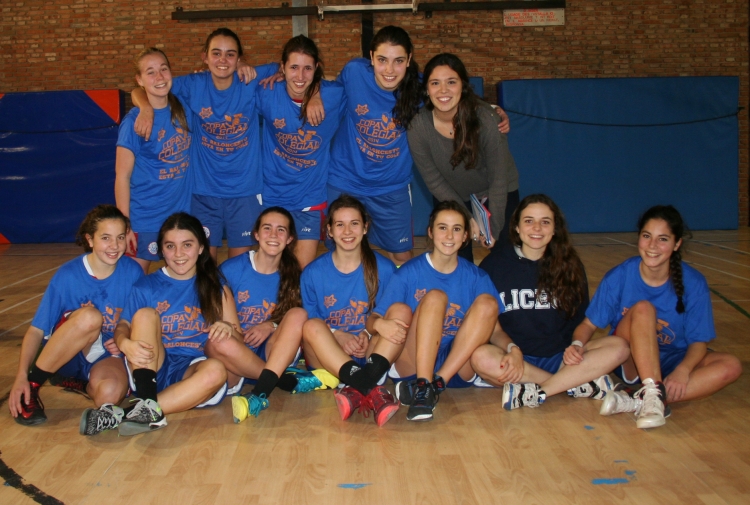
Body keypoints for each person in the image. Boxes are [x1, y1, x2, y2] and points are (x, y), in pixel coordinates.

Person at [131, 28, 292, 262]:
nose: (223, 60)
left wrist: (243, 66)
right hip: (204, 192)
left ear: (239, 57)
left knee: (240, 266)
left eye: (230, 54)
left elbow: (288, 68)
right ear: (204, 57)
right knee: (204, 266)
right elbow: (143, 87)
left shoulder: (250, 79)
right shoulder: (193, 84)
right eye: (216, 53)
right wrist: (145, 108)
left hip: (244, 192)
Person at [576, 205, 742, 429]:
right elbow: (588, 324)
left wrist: (683, 370)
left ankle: (639, 399)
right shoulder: (620, 276)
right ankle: (650, 392)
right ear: (639, 238)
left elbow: (698, 342)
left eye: (662, 239)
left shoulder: (694, 283)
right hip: (631, 362)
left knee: (731, 366)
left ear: (677, 244)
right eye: (647, 236)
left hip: (673, 359)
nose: (652, 245)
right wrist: (577, 345)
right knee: (644, 309)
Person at [471, 194, 629, 410]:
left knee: (619, 347)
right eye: (529, 221)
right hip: (516, 359)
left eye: (545, 222)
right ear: (516, 226)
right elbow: (492, 328)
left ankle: (540, 390)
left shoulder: (570, 265)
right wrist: (512, 349)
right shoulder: (494, 265)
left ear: (555, 229)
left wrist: (576, 346)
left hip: (561, 359)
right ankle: (573, 384)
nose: (537, 228)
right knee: (480, 357)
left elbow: (580, 321)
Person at [9, 205, 143, 435]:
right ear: (90, 239)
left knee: (110, 395)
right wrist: (22, 376)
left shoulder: (133, 272)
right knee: (90, 317)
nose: (114, 246)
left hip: (104, 353)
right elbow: (36, 330)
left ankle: (79, 383)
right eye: (106, 238)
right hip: (66, 353)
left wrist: (124, 339)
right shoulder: (68, 275)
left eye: (120, 237)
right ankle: (33, 385)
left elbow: (138, 319)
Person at [114, 212, 237, 436]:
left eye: (187, 245)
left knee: (216, 370)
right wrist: (124, 343)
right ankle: (147, 398)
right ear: (161, 250)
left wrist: (228, 328)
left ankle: (133, 412)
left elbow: (239, 340)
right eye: (170, 246)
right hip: (152, 363)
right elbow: (123, 325)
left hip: (191, 370)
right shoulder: (146, 286)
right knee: (145, 315)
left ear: (201, 248)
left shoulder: (215, 287)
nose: (178, 254)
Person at [379, 201, 501, 422]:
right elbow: (375, 319)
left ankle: (435, 385)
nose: (449, 235)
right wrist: (379, 325)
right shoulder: (408, 273)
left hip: (454, 365)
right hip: (412, 363)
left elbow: (496, 330)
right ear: (430, 232)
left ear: (465, 236)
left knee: (488, 303)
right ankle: (423, 385)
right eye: (442, 227)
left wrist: (513, 349)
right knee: (435, 297)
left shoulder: (477, 277)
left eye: (457, 229)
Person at [216, 206, 338, 424]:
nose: (273, 235)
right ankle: (283, 380)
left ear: (290, 238)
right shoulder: (231, 269)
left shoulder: (294, 273)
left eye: (281, 230)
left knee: (299, 314)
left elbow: (302, 318)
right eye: (267, 228)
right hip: (239, 350)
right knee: (219, 342)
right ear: (256, 234)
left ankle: (260, 393)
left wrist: (270, 325)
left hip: (273, 350)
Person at [407, 53, 520, 261]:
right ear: (427, 89)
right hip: (451, 193)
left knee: (505, 254)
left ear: (463, 86)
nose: (443, 90)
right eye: (435, 83)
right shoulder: (418, 128)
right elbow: (434, 181)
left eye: (451, 82)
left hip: (497, 190)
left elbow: (498, 178)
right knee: (456, 256)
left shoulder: (486, 119)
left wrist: (493, 229)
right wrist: (467, 217)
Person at [301, 195, 402, 427]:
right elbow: (312, 320)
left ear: (365, 227)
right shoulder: (312, 273)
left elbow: (387, 314)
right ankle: (369, 386)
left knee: (401, 311)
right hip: (328, 358)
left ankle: (357, 385)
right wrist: (337, 334)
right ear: (329, 230)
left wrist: (366, 334)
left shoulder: (385, 268)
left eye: (354, 223)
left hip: (371, 354)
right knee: (310, 326)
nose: (347, 231)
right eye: (340, 224)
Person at [256, 35, 345, 268]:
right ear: (282, 67)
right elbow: (233, 80)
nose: (300, 76)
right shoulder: (267, 92)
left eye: (308, 68)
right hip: (272, 195)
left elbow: (364, 83)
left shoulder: (333, 96)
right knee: (272, 270)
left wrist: (315, 91)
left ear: (317, 68)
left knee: (301, 272)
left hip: (310, 196)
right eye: (293, 67)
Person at [116, 48, 192, 273]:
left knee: (184, 281)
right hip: (145, 218)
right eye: (150, 72)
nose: (159, 77)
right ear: (139, 80)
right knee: (132, 282)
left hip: (180, 216)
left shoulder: (184, 108)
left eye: (163, 69)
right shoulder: (133, 123)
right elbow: (122, 177)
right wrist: (124, 225)